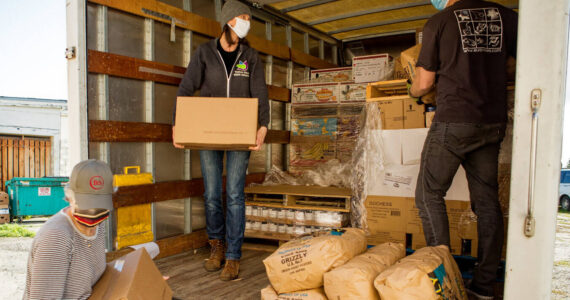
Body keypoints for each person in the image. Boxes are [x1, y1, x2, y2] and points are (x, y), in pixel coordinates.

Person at [409, 0, 517, 299]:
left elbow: (424, 81)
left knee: (428, 194)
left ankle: (446, 281)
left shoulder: (440, 21)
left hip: (454, 120)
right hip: (492, 121)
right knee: (486, 202)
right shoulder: (508, 16)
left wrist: (412, 90)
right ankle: (483, 287)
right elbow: (518, 66)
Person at [172, 0, 269, 281]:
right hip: (208, 133)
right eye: (241, 17)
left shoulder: (251, 56)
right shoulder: (204, 52)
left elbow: (260, 93)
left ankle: (233, 256)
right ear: (228, 20)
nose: (246, 22)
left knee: (235, 195)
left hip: (240, 134)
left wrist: (263, 127)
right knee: (213, 194)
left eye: (248, 18)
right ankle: (216, 246)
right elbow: (186, 87)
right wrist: (178, 124)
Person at [23, 159, 114, 300]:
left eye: (99, 205)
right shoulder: (56, 237)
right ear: (70, 197)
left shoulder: (98, 226)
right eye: (86, 204)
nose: (93, 212)